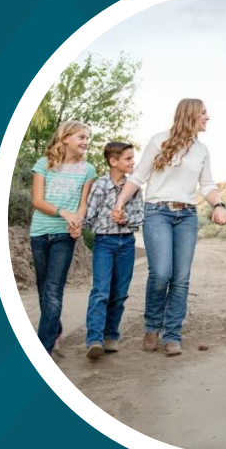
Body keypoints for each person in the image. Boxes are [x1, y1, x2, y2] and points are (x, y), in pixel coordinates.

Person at [112, 99, 226, 357]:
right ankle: (152, 326)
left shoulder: (202, 150)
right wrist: (120, 201)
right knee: (162, 273)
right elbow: (138, 176)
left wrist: (219, 204)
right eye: (203, 113)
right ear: (190, 115)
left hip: (187, 215)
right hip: (158, 212)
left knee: (180, 278)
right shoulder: (159, 140)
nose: (207, 117)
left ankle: (172, 334)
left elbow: (207, 185)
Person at [30, 121, 97, 354]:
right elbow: (37, 201)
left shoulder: (88, 169)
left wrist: (77, 221)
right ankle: (55, 329)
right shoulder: (44, 164)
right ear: (65, 138)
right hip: (39, 232)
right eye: (81, 137)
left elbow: (83, 204)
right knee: (42, 288)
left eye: (87, 138)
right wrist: (62, 212)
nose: (86, 142)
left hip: (63, 236)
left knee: (53, 290)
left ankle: (43, 347)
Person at [82, 142, 144, 360]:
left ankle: (111, 335)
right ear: (113, 161)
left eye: (132, 158)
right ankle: (94, 340)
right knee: (101, 290)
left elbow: (139, 217)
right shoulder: (100, 185)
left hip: (127, 243)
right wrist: (83, 226)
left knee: (120, 292)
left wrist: (125, 218)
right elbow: (89, 215)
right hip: (104, 244)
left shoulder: (134, 188)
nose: (132, 162)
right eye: (128, 159)